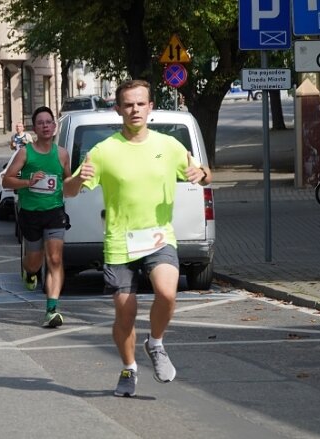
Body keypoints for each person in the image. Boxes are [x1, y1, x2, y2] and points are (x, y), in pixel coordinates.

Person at [63, 79, 213, 397]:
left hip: (159, 237)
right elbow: (69, 190)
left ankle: (155, 343)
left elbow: (204, 173)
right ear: (118, 109)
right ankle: (129, 367)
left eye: (140, 103)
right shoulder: (103, 151)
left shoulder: (169, 146)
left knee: (167, 293)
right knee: (125, 313)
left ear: (150, 107)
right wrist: (78, 179)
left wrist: (202, 175)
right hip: (120, 242)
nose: (135, 109)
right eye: (128, 104)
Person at [2, 106, 71, 328]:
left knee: (55, 259)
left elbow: (68, 183)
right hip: (30, 214)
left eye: (48, 122)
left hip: (54, 212)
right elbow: (7, 181)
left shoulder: (62, 154)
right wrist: (28, 181)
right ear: (35, 127)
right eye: (40, 123)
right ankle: (30, 273)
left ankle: (51, 309)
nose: (45, 126)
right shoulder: (25, 153)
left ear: (54, 126)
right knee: (34, 262)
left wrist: (81, 180)